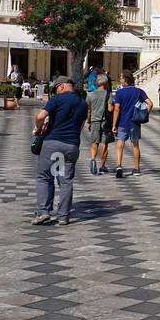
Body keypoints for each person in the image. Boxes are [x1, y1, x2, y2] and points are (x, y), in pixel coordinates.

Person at [31, 75, 88, 226]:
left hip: (53, 143)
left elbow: (40, 115)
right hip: (72, 145)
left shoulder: (57, 99)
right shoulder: (83, 103)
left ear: (61, 86)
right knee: (66, 181)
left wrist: (37, 128)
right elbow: (81, 126)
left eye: (55, 89)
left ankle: (43, 212)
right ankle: (63, 216)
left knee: (43, 176)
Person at [111, 71, 151, 178]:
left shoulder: (119, 93)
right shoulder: (139, 92)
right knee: (135, 145)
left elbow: (117, 109)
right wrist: (144, 114)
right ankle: (137, 168)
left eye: (120, 77)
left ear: (125, 79)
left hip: (122, 123)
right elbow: (150, 103)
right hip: (135, 123)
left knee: (120, 145)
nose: (119, 79)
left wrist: (114, 124)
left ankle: (119, 166)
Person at [86, 72, 113, 174]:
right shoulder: (108, 94)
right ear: (105, 83)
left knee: (94, 143)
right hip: (105, 122)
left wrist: (89, 121)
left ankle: (93, 159)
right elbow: (110, 109)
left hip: (94, 121)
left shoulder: (90, 95)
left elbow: (88, 110)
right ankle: (102, 166)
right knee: (104, 144)